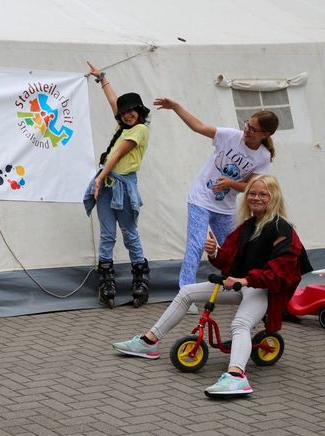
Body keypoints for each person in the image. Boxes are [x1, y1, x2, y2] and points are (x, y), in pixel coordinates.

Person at [112, 175, 311, 397]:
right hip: (239, 285)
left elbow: (282, 270)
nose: (256, 198)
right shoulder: (248, 226)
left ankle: (237, 377)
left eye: (263, 194)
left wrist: (246, 280)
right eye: (252, 193)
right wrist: (214, 251)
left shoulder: (282, 229)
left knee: (240, 324)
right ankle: (149, 342)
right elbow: (227, 259)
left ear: (274, 197)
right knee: (186, 292)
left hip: (262, 290)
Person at [152, 98, 278, 301]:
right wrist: (175, 107)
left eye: (253, 129)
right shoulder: (230, 136)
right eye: (247, 124)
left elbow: (251, 187)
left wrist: (230, 183)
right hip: (201, 198)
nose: (247, 130)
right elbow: (198, 126)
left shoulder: (262, 156)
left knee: (233, 248)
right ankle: (185, 293)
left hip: (225, 207)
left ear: (265, 134)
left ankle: (240, 286)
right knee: (196, 244)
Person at [83, 62, 151, 309]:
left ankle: (140, 278)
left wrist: (99, 178)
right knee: (107, 235)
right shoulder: (122, 126)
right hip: (107, 186)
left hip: (122, 184)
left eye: (131, 110)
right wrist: (102, 79)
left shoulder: (140, 130)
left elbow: (118, 155)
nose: (127, 114)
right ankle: (106, 279)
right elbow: (114, 103)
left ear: (139, 112)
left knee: (129, 233)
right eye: (124, 112)